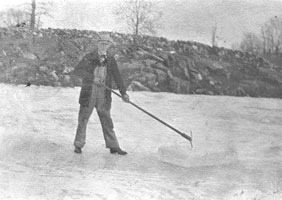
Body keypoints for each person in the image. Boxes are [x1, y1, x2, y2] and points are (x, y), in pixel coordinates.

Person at [72, 33, 129, 155]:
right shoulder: (89, 57)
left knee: (106, 119)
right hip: (89, 92)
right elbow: (78, 71)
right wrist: (92, 78)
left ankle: (113, 146)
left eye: (107, 43)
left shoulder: (111, 60)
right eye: (102, 43)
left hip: (103, 94)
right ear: (98, 43)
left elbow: (117, 76)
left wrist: (123, 93)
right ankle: (78, 144)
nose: (104, 45)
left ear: (109, 45)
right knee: (83, 118)